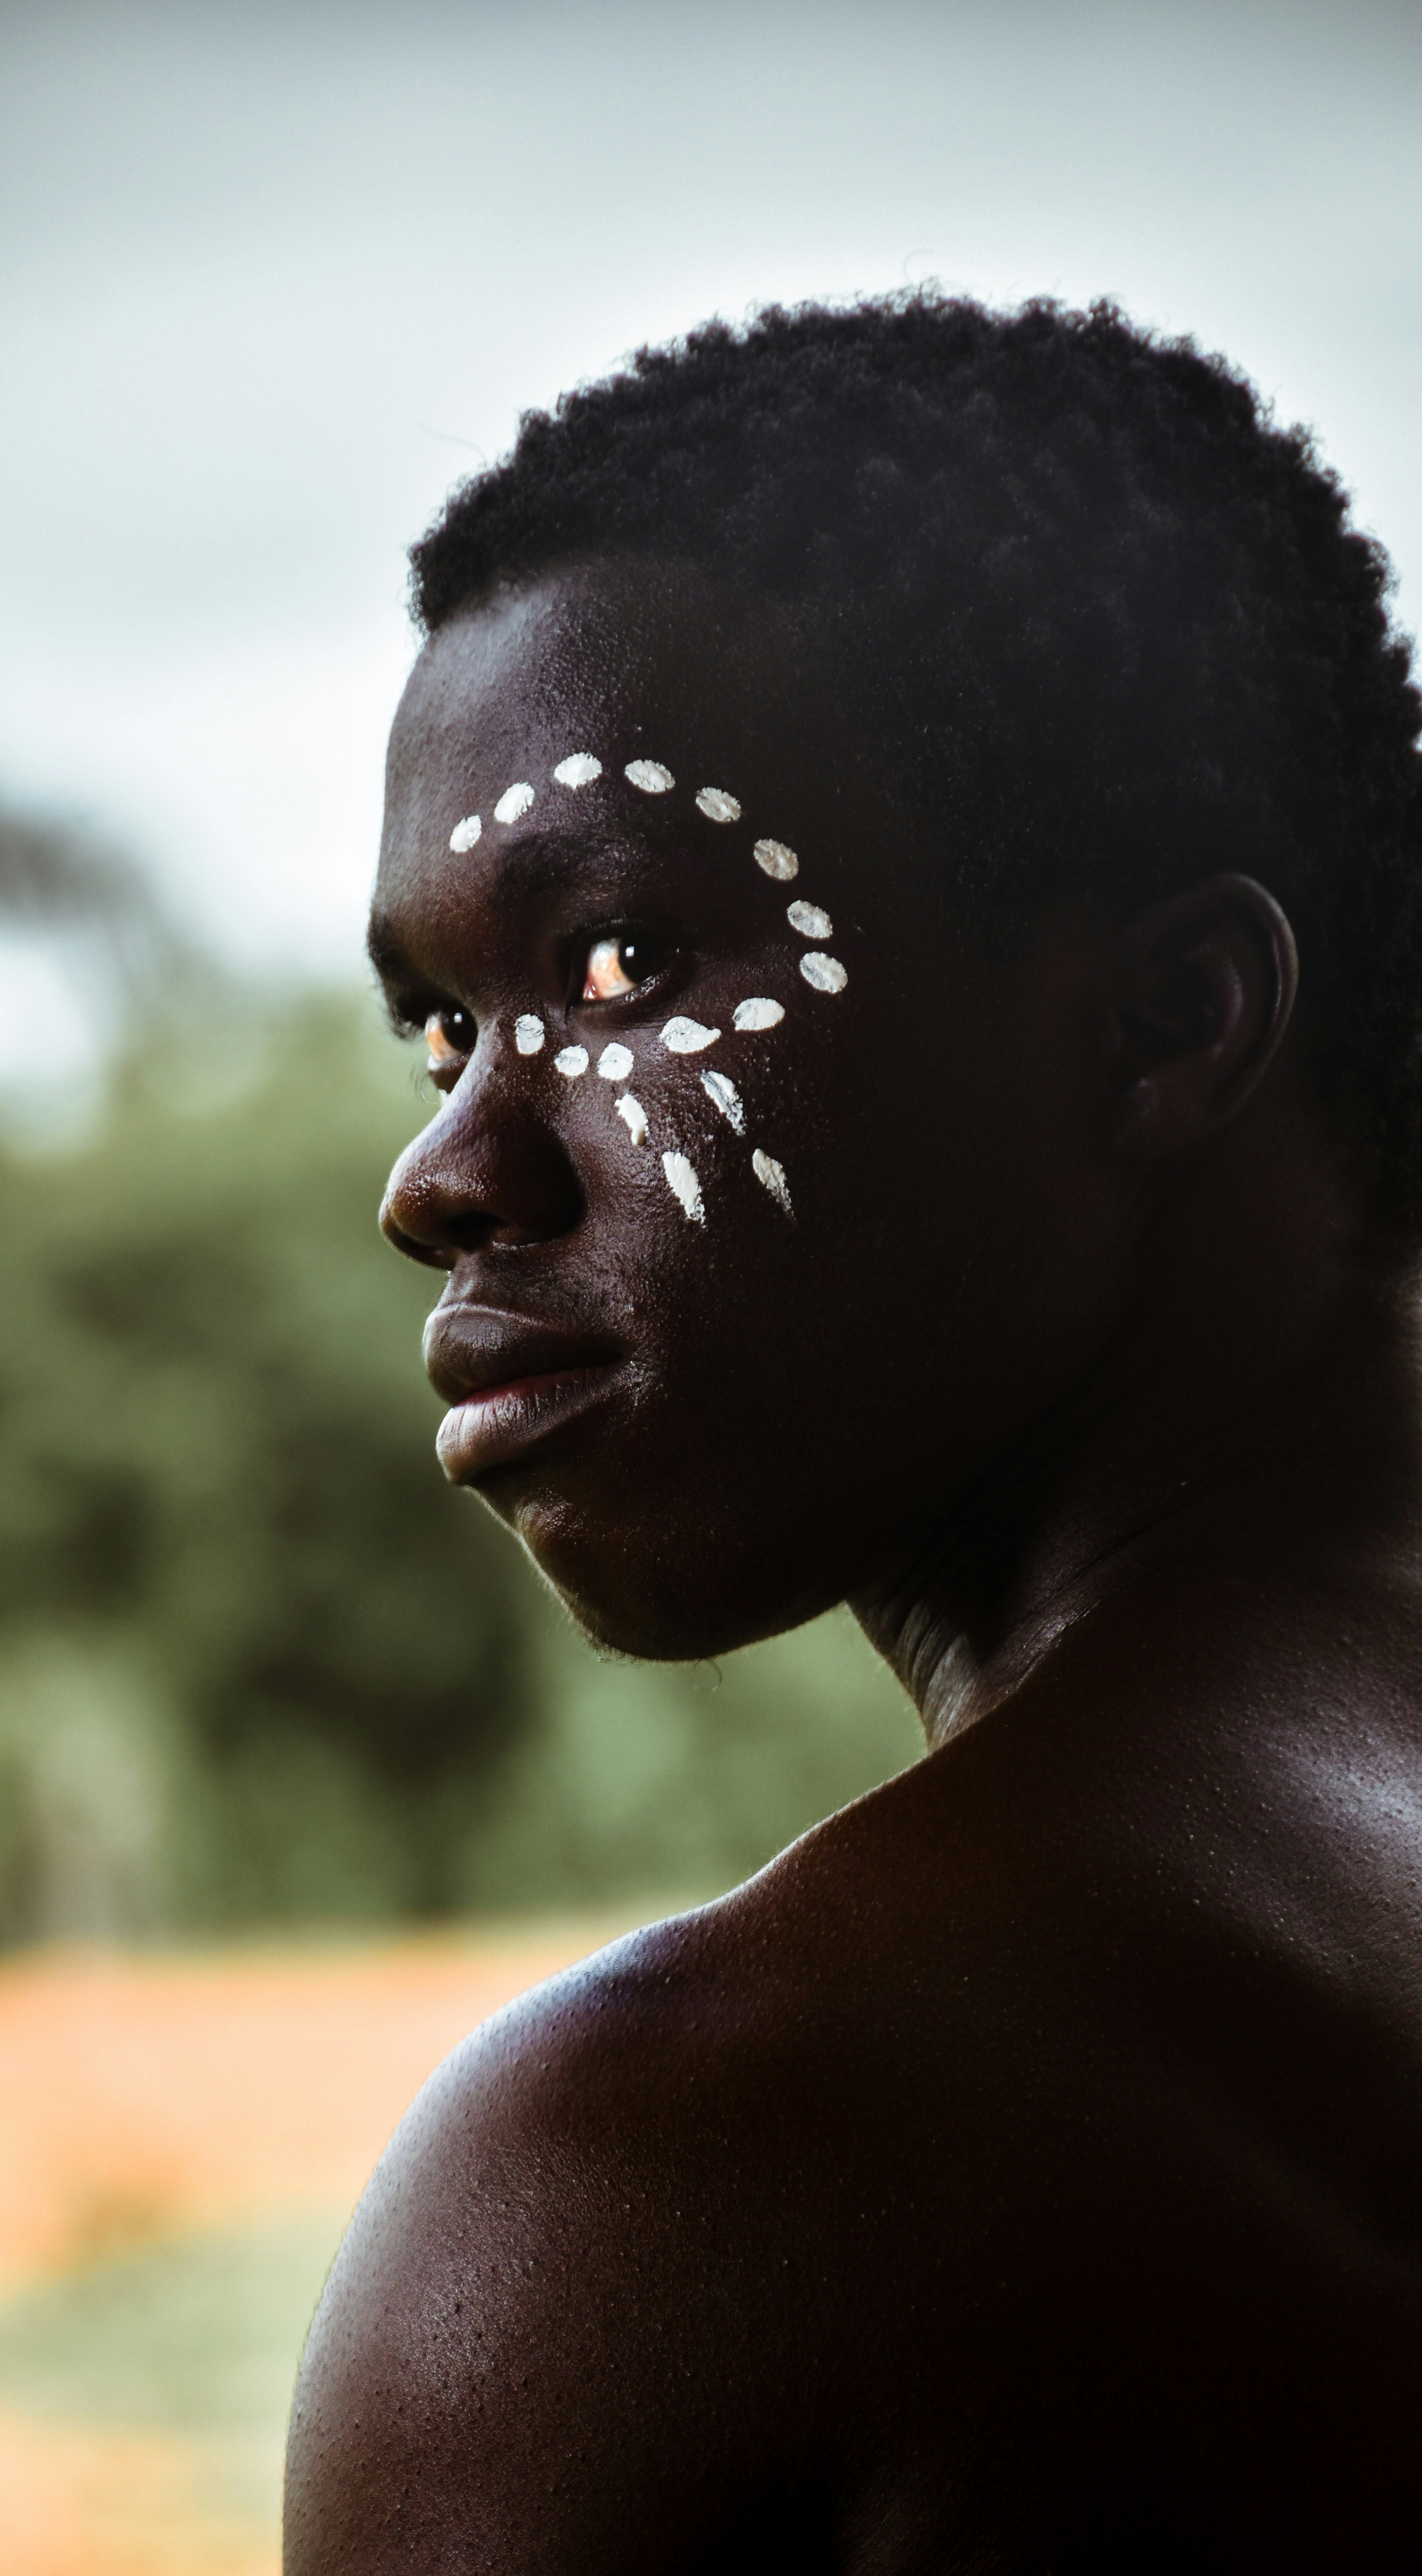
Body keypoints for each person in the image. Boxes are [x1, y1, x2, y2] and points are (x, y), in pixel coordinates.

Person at [283, 295, 1422, 2569]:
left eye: (608, 966)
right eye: (440, 1031)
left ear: (1165, 1021)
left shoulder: (697, 2163)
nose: (440, 1175)